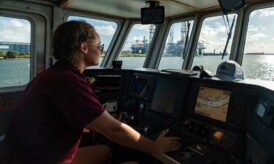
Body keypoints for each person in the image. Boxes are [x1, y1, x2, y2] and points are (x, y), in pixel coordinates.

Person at [0, 21, 181, 163]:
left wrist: (99, 122)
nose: (101, 51)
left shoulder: (55, 74)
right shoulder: (67, 81)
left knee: (104, 151)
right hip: (38, 160)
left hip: (25, 157)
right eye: (99, 46)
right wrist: (154, 146)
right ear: (84, 47)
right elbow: (113, 130)